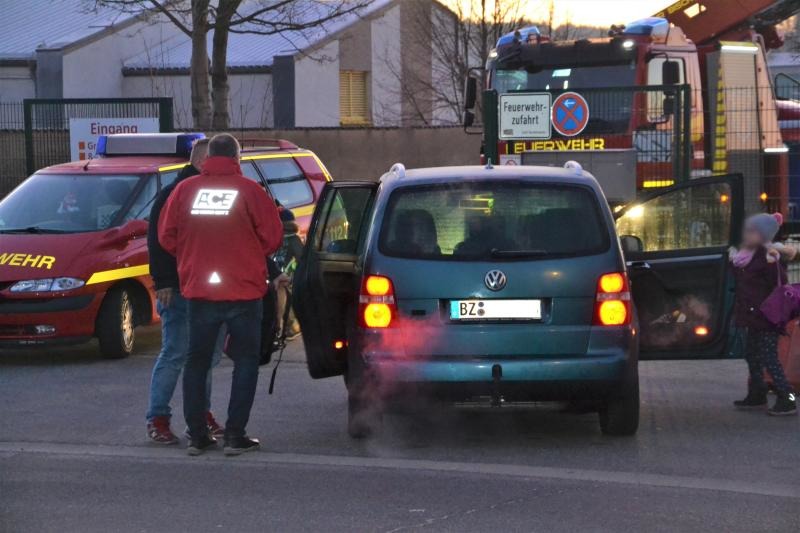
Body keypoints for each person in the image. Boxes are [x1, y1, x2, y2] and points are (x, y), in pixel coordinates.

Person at [159, 133, 283, 456]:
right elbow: (272, 237)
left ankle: (197, 436)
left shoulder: (185, 191)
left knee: (196, 362)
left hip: (200, 292)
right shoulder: (250, 192)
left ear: (207, 157)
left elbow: (166, 236)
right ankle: (234, 436)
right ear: (237, 159)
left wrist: (191, 257)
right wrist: (249, 256)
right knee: (245, 362)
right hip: (244, 292)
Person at [145, 138, 225, 444]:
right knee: (177, 352)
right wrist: (164, 281)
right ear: (205, 161)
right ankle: (159, 418)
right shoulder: (177, 193)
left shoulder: (200, 190)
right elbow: (158, 238)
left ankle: (198, 415)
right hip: (180, 289)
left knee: (201, 355)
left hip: (205, 287)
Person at [730, 213, 797, 416]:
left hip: (767, 316)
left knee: (769, 357)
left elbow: (778, 284)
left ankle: (788, 397)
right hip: (752, 315)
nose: (747, 235)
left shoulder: (768, 257)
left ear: (763, 235)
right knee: (751, 354)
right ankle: (757, 392)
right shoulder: (745, 255)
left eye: (752, 231)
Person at [273, 207, 304, 340]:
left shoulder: (275, 237)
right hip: (286, 276)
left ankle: (281, 326)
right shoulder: (294, 239)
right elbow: (301, 257)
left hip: (275, 275)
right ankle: (290, 327)